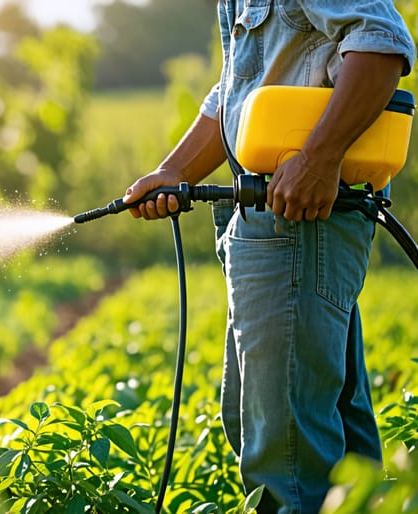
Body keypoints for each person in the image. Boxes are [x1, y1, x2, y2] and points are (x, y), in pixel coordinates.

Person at [122, 2, 415, 513]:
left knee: (287, 464)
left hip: (298, 218)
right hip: (273, 214)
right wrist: (174, 171)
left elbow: (380, 43)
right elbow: (238, 92)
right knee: (331, 445)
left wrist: (318, 159)